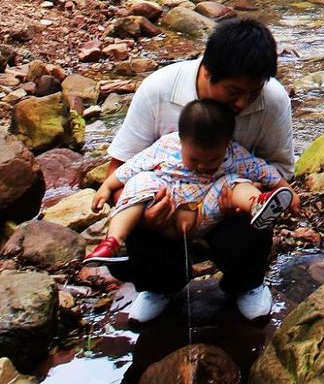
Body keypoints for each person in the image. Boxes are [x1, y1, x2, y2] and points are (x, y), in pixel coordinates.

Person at [104, 17, 299, 323]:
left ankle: (246, 284)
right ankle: (159, 287)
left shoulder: (273, 100)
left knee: (250, 223)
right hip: (168, 208)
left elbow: (280, 172)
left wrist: (248, 198)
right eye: (233, 91)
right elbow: (118, 171)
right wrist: (144, 215)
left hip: (228, 206)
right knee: (138, 216)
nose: (242, 103)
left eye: (252, 94)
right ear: (207, 70)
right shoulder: (158, 90)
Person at [84, 99, 293, 264]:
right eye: (194, 159)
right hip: (168, 212)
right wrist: (107, 186)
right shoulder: (167, 146)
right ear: (181, 141)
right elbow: (132, 166)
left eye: (211, 160)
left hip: (206, 211)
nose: (202, 166)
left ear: (226, 145)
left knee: (232, 181)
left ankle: (258, 203)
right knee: (142, 180)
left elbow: (261, 169)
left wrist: (286, 189)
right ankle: (112, 242)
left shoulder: (233, 154)